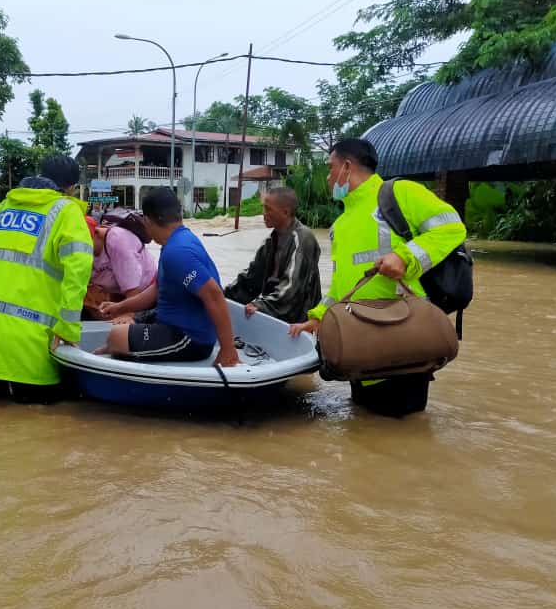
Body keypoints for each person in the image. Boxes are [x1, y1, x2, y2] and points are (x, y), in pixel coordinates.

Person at [289, 138, 467, 417]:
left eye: (330, 168)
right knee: (365, 432)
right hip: (360, 346)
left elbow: (452, 227)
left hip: (401, 338)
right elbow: (342, 284)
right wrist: (319, 317)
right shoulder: (340, 224)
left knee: (403, 435)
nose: (328, 177)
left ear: (347, 167)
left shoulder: (399, 193)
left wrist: (405, 257)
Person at [0, 155, 94, 404]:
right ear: (72, 188)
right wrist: (67, 330)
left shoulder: (2, 208)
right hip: (27, 341)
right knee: (40, 426)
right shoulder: (67, 212)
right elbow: (78, 275)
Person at [96, 188, 239, 366]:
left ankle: (117, 349)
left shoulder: (177, 252)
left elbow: (214, 295)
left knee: (116, 337)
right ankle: (116, 348)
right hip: (171, 321)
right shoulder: (176, 240)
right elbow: (157, 289)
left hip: (189, 337)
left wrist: (228, 349)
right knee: (119, 327)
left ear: (147, 221)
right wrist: (119, 307)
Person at [224, 186, 322, 324]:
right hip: (275, 319)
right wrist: (221, 296)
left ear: (285, 212)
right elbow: (250, 279)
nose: (263, 214)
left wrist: (260, 305)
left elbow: (292, 287)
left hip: (300, 323)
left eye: (268, 209)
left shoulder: (303, 238)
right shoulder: (270, 242)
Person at [82, 215, 156, 319]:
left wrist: (127, 315)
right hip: (117, 296)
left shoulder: (118, 240)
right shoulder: (77, 253)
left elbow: (133, 289)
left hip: (146, 295)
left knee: (121, 329)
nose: (81, 250)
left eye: (85, 244)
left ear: (97, 233)